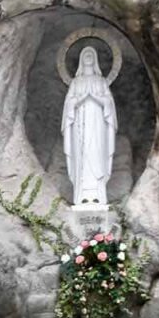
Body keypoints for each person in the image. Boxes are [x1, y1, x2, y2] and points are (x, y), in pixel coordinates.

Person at [62, 46, 117, 207]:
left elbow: (109, 103)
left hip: (98, 125)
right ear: (80, 60)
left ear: (95, 60)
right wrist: (79, 100)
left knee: (96, 154)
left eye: (91, 55)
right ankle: (82, 195)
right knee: (82, 156)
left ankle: (98, 195)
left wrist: (95, 97)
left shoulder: (101, 82)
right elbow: (69, 105)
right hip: (80, 126)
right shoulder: (76, 82)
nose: (88, 58)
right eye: (84, 55)